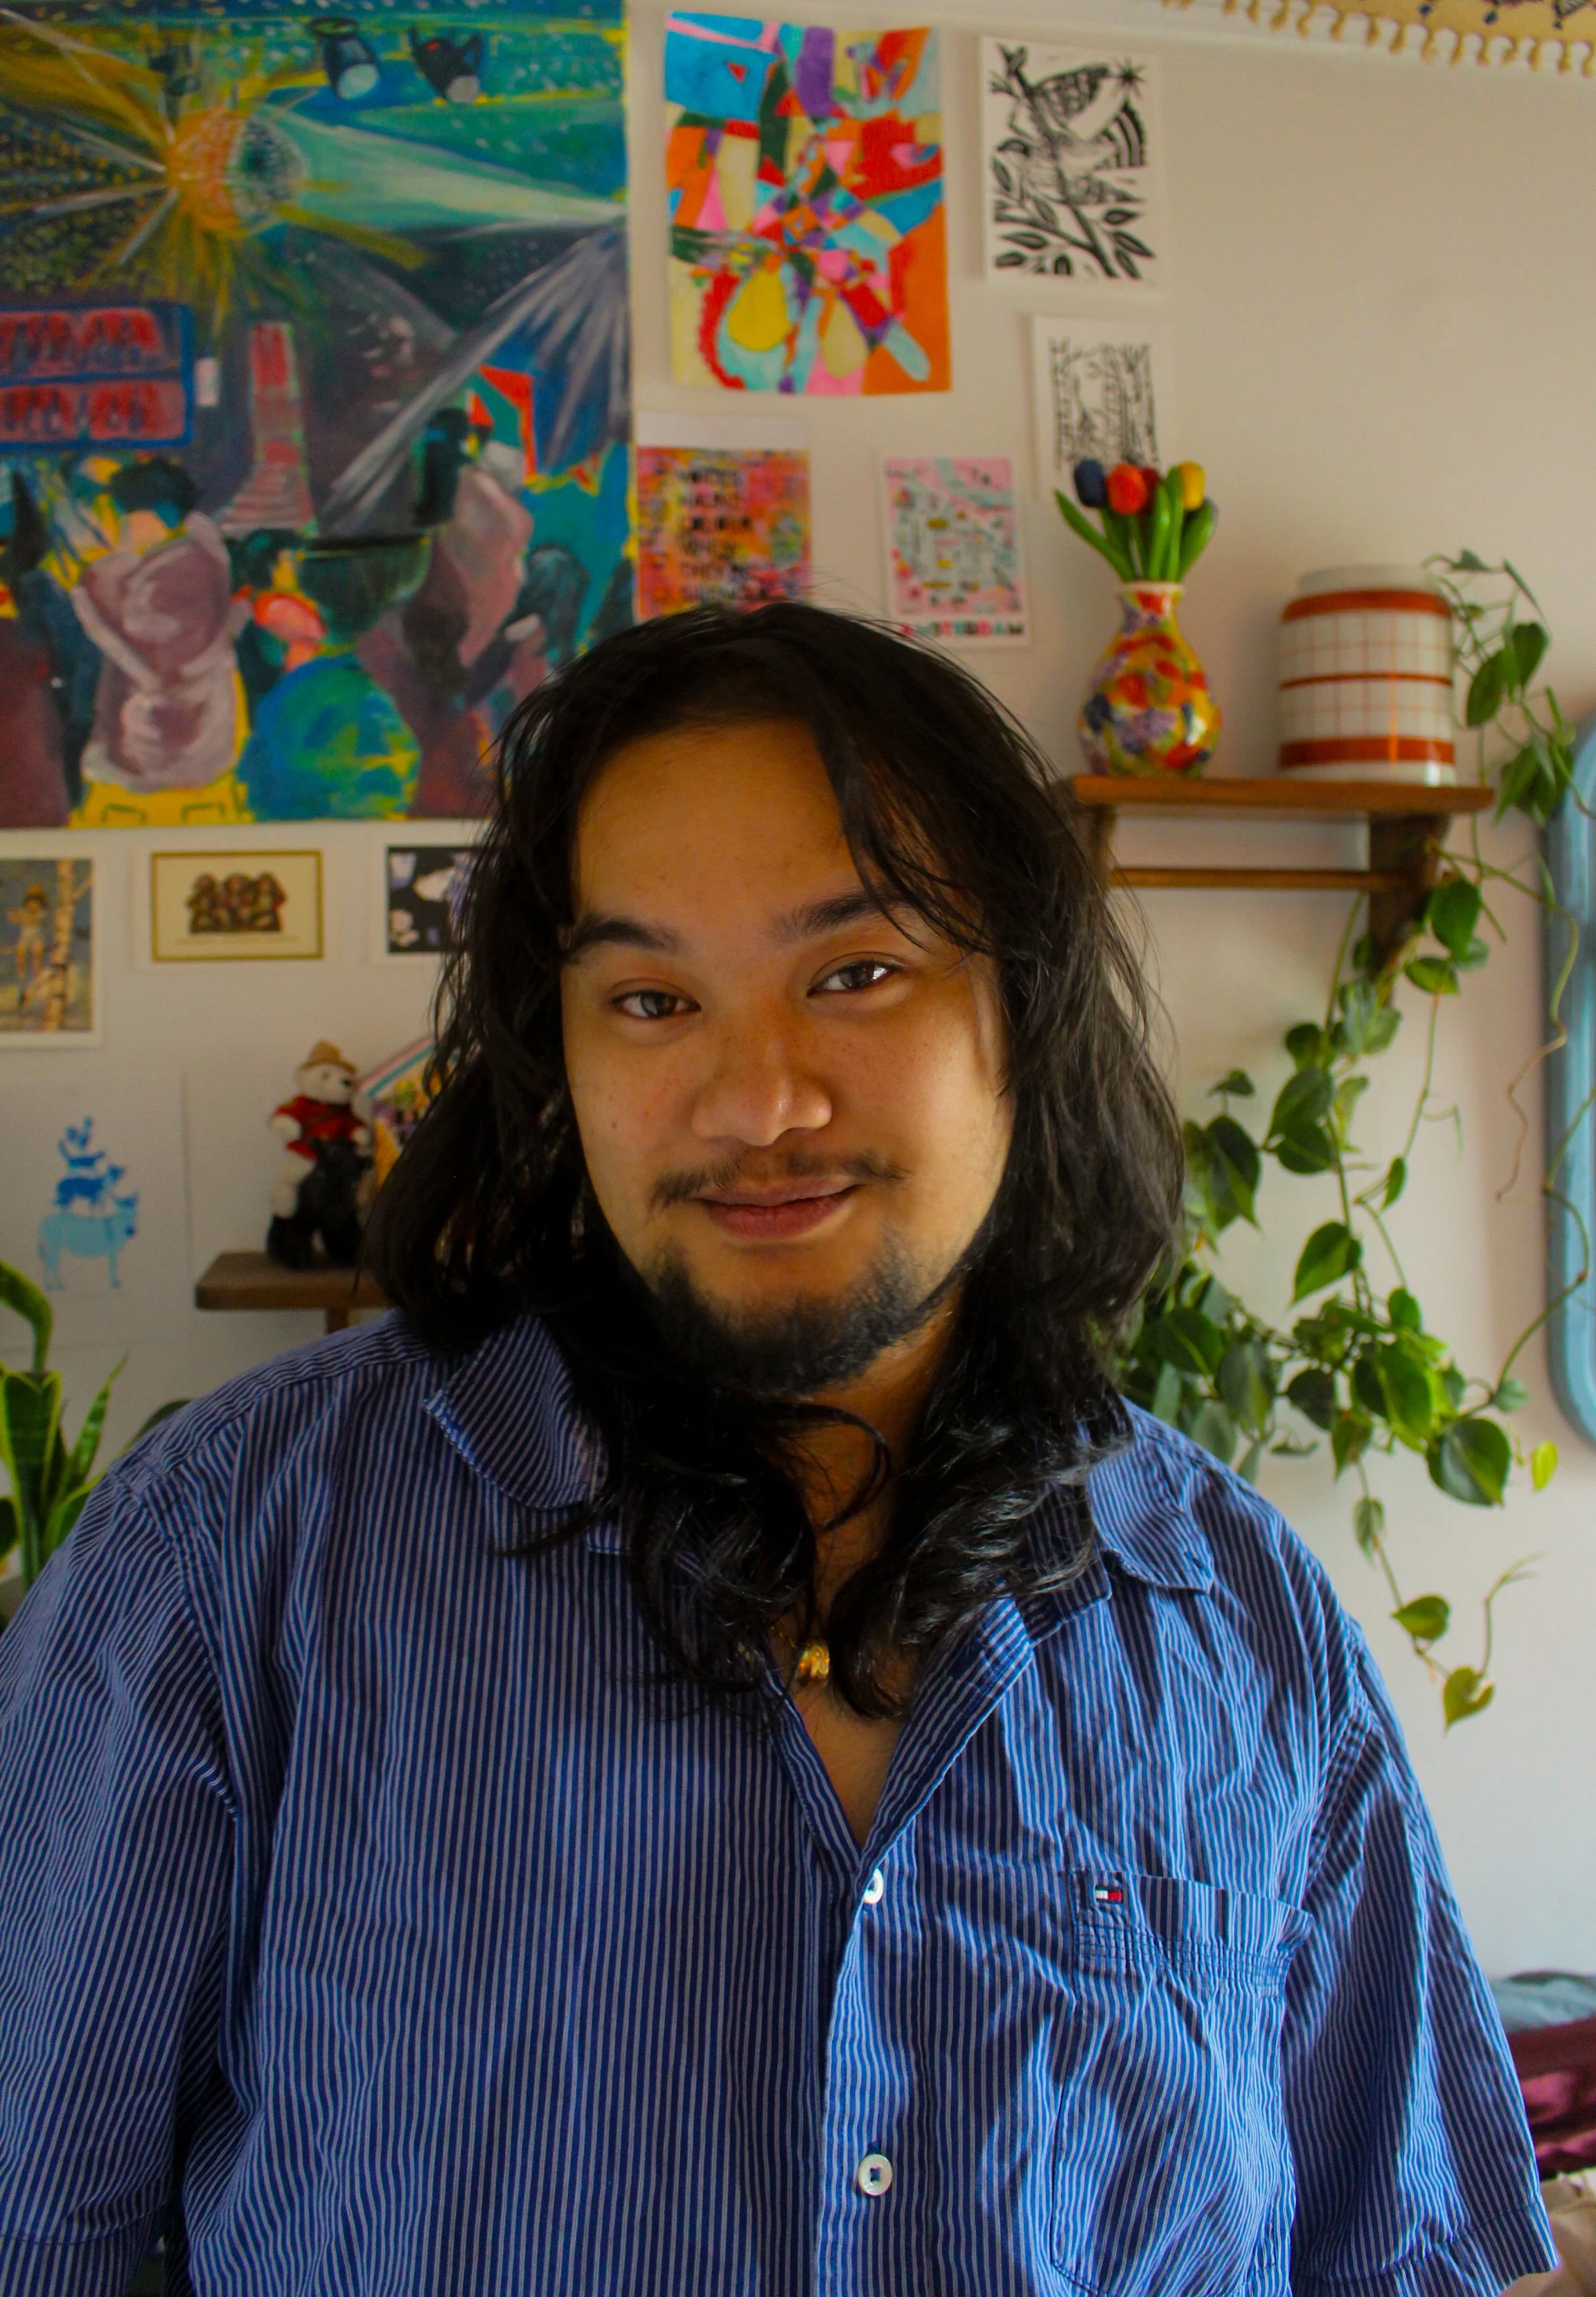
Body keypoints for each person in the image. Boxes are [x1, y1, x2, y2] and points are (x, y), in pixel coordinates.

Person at [0, 604, 1554, 2297]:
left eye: (857, 972)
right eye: (652, 998)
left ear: (1021, 1016)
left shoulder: (1242, 1625)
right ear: (558, 1061)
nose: (755, 1103)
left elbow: (1405, 2261)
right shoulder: (229, 1556)